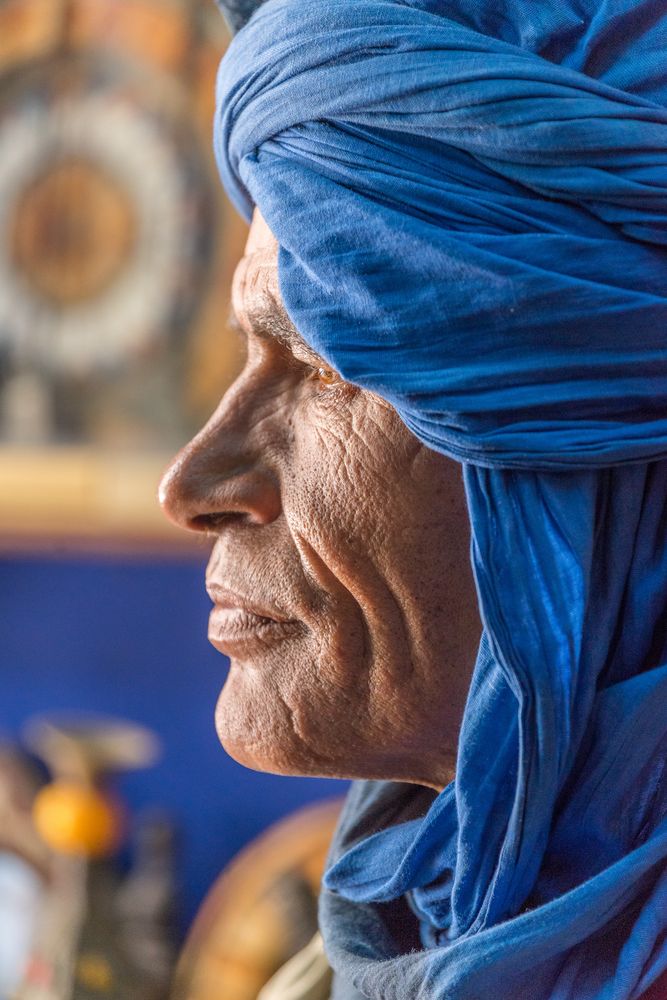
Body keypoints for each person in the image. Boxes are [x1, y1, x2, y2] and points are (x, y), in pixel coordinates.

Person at [160, 0, 667, 995]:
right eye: (244, 356)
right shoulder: (398, 930)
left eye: (327, 368)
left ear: (596, 488)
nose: (194, 485)